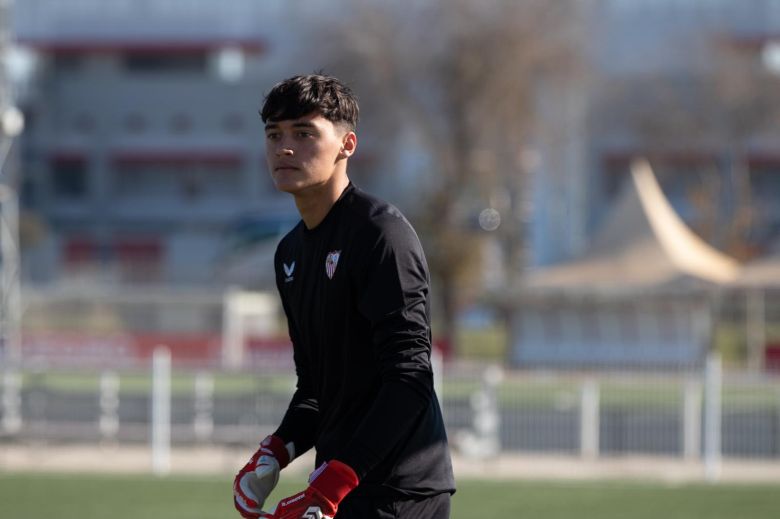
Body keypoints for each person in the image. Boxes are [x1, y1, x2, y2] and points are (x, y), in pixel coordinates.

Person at [232, 73, 455, 519]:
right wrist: (275, 451)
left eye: (304, 132)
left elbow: (410, 377)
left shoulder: (381, 234)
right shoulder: (290, 253)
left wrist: (337, 479)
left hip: (399, 495)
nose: (285, 147)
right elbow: (316, 390)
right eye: (274, 135)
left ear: (347, 145)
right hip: (336, 490)